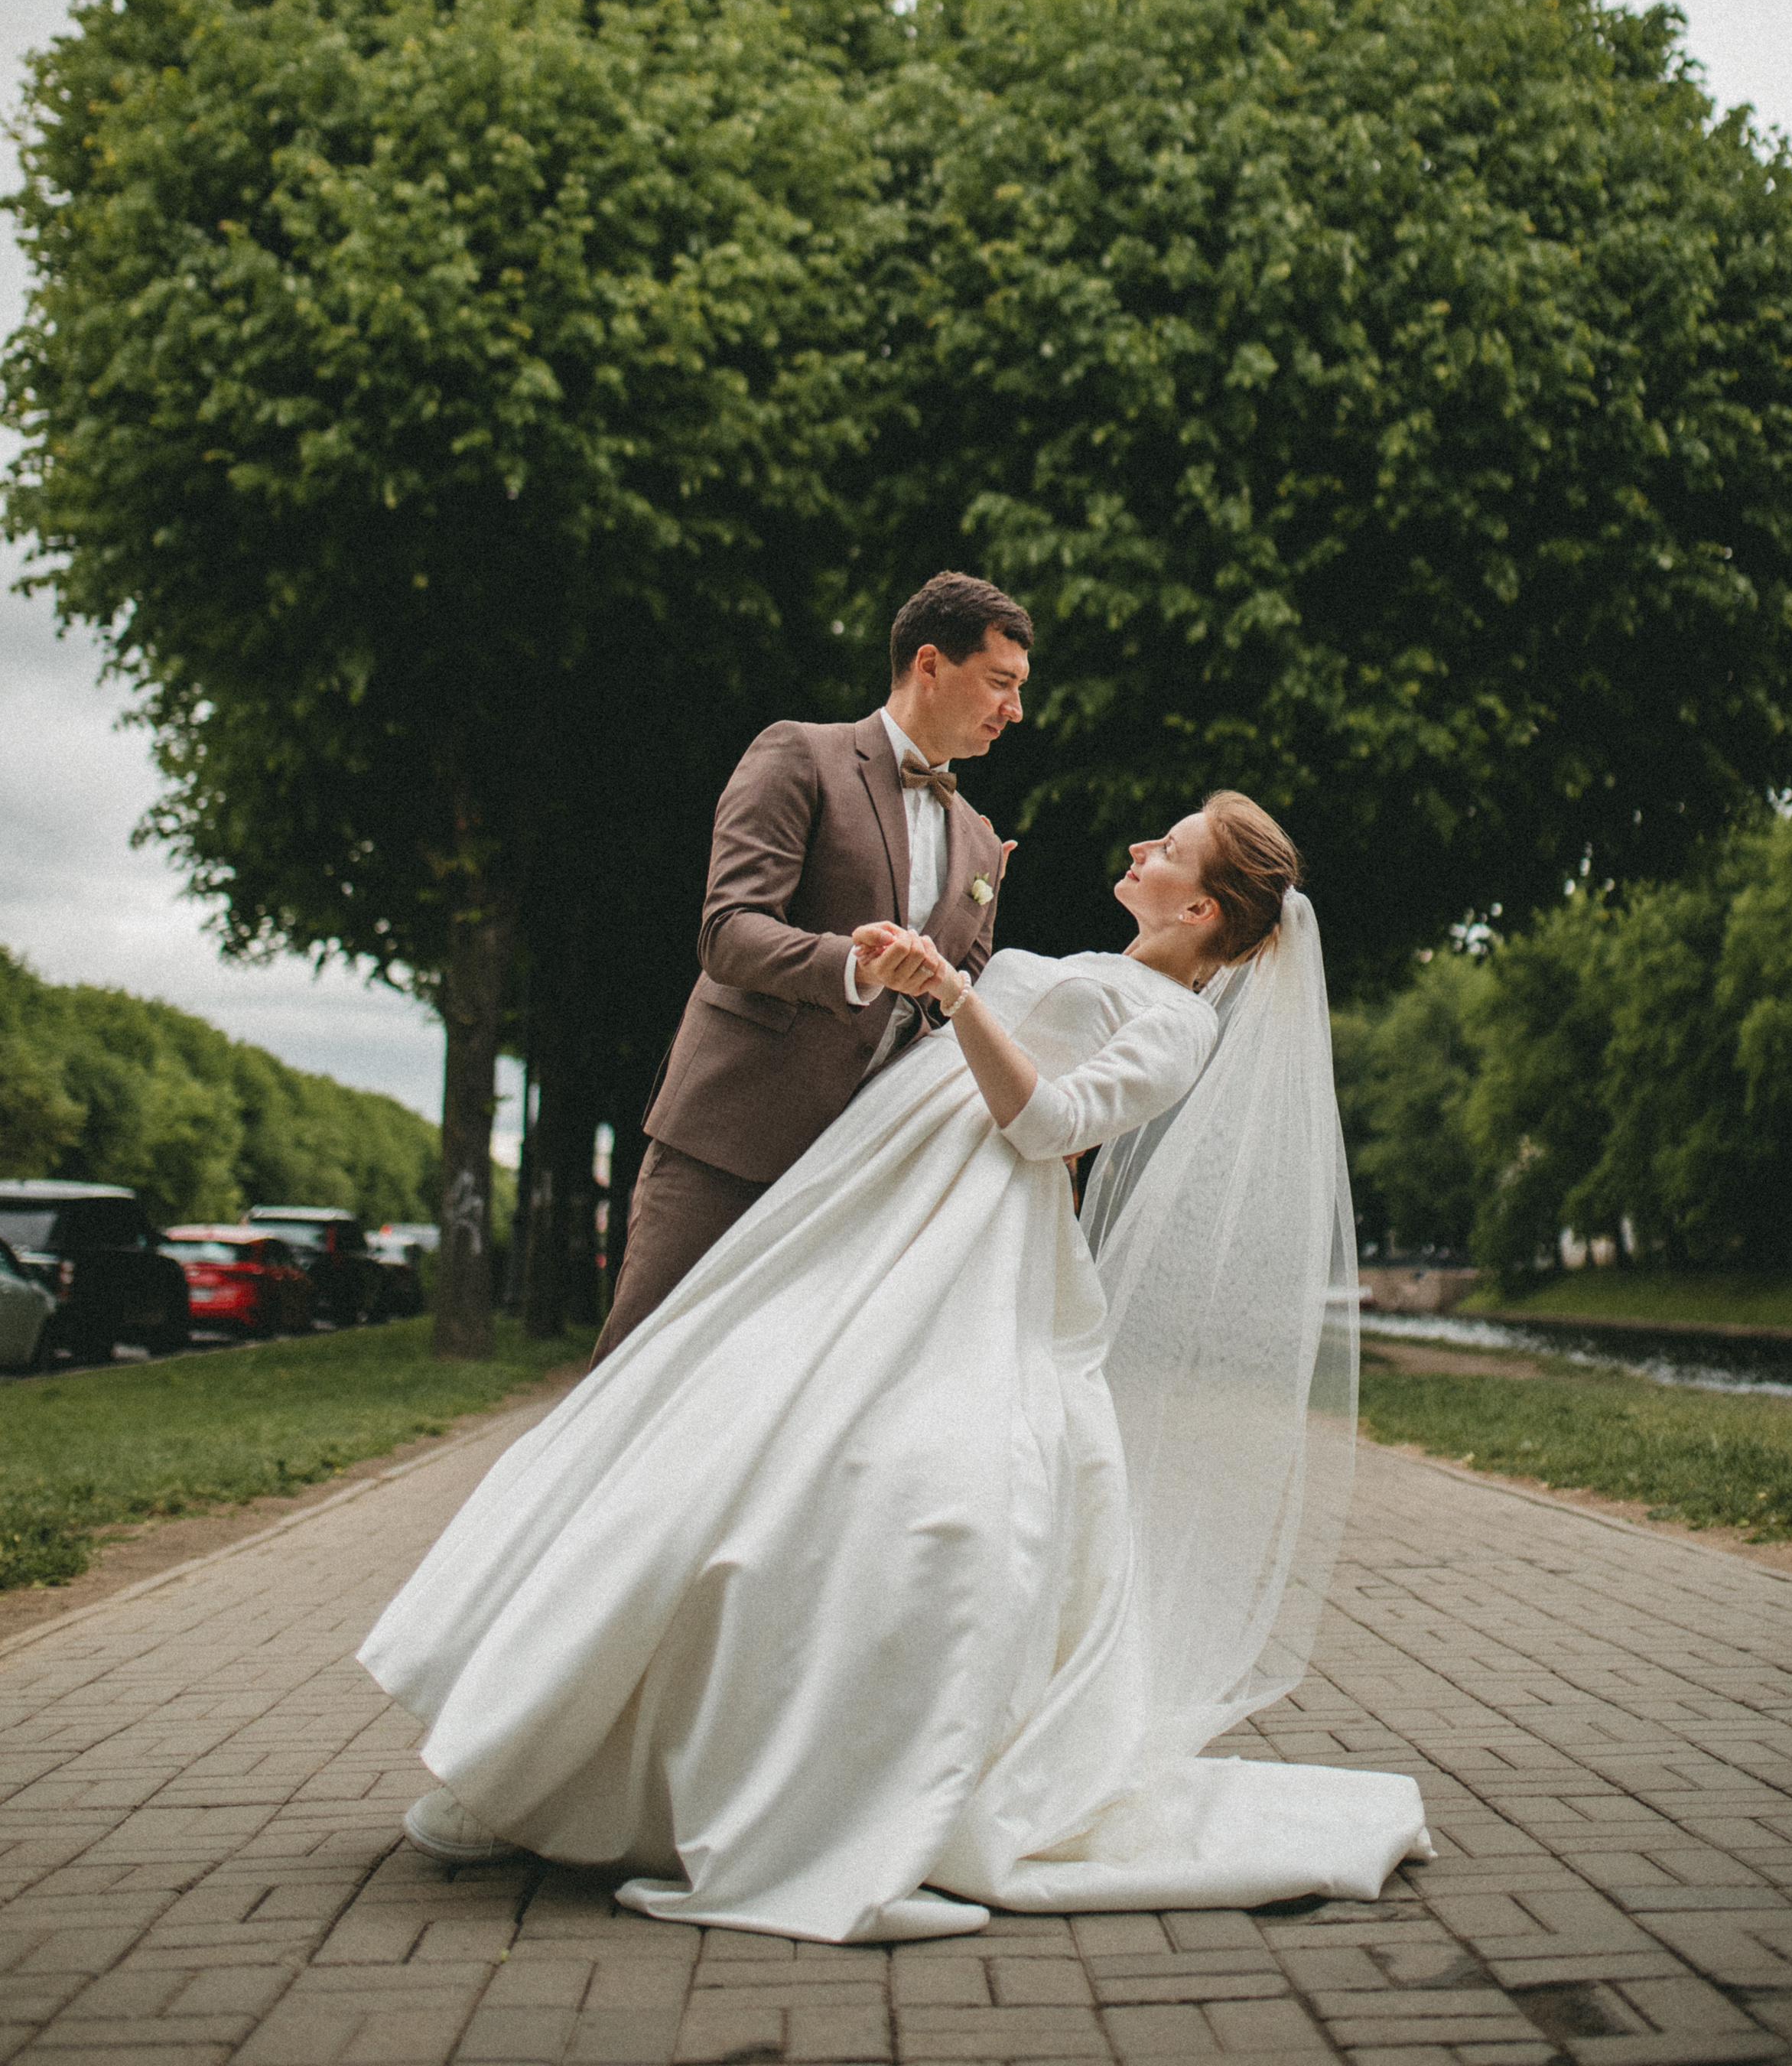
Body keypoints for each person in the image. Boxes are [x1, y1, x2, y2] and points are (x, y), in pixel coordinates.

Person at [361, 790, 1432, 1939]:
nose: (1138, 849)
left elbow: (1048, 1122)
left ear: (1201, 904)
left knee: (883, 1489)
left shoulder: (1178, 1025)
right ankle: (543, 1754)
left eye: (1166, 849)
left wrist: (961, 995)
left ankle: (765, 1784)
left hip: (968, 1240)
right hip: (870, 1192)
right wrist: (943, 940)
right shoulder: (1089, 961)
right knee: (703, 1422)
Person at [591, 570, 1033, 1362]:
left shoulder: (978, 842)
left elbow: (953, 1007)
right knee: (637, 1370)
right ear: (928, 664)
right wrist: (854, 967)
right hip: (730, 1140)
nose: (1015, 710)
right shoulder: (800, 754)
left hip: (855, 1173)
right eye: (1000, 682)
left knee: (769, 1403)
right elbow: (728, 932)